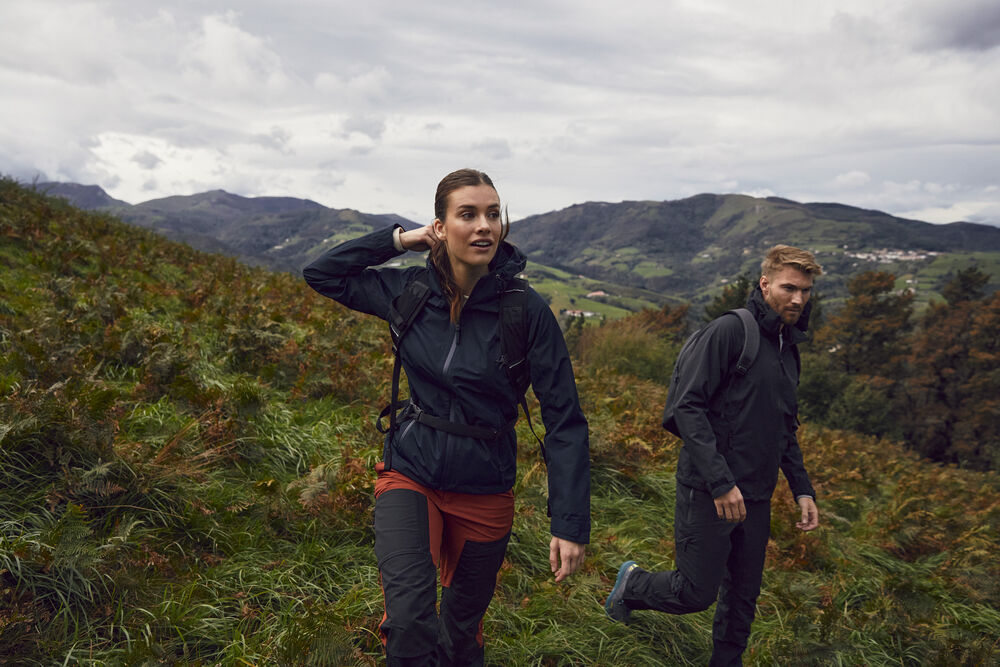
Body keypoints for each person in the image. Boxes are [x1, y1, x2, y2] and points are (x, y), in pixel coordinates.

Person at [303, 168, 590, 666]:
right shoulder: (411, 291)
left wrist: (569, 522)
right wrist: (401, 239)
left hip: (484, 488)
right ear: (440, 226)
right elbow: (322, 274)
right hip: (410, 472)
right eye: (468, 214)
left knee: (460, 636)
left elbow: (564, 418)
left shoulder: (525, 311)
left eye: (493, 214)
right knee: (409, 623)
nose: (484, 226)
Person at [604, 245, 822, 666]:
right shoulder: (730, 332)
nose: (798, 299)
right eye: (789, 288)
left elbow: (784, 427)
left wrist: (802, 489)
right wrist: (721, 483)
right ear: (765, 285)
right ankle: (633, 585)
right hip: (709, 490)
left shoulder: (787, 348)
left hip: (756, 496)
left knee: (743, 596)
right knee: (694, 593)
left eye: (806, 291)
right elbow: (686, 407)